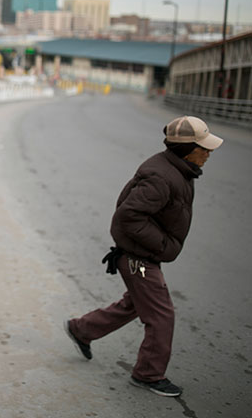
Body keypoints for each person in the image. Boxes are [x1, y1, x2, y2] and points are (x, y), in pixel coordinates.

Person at [64, 115, 223, 397]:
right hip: (139, 258)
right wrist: (162, 245)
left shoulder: (178, 168)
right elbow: (127, 217)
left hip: (141, 255)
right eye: (204, 147)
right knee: (162, 315)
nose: (209, 152)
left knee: (134, 304)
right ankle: (148, 374)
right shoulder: (162, 177)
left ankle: (81, 329)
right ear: (187, 148)